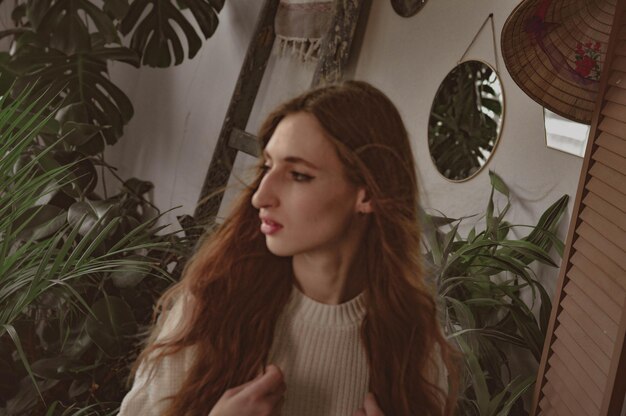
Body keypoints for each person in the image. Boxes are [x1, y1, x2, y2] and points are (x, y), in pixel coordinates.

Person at [118, 80, 458, 416]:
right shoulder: (209, 306)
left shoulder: (415, 345)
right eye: (267, 166)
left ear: (367, 194)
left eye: (298, 175)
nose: (260, 196)